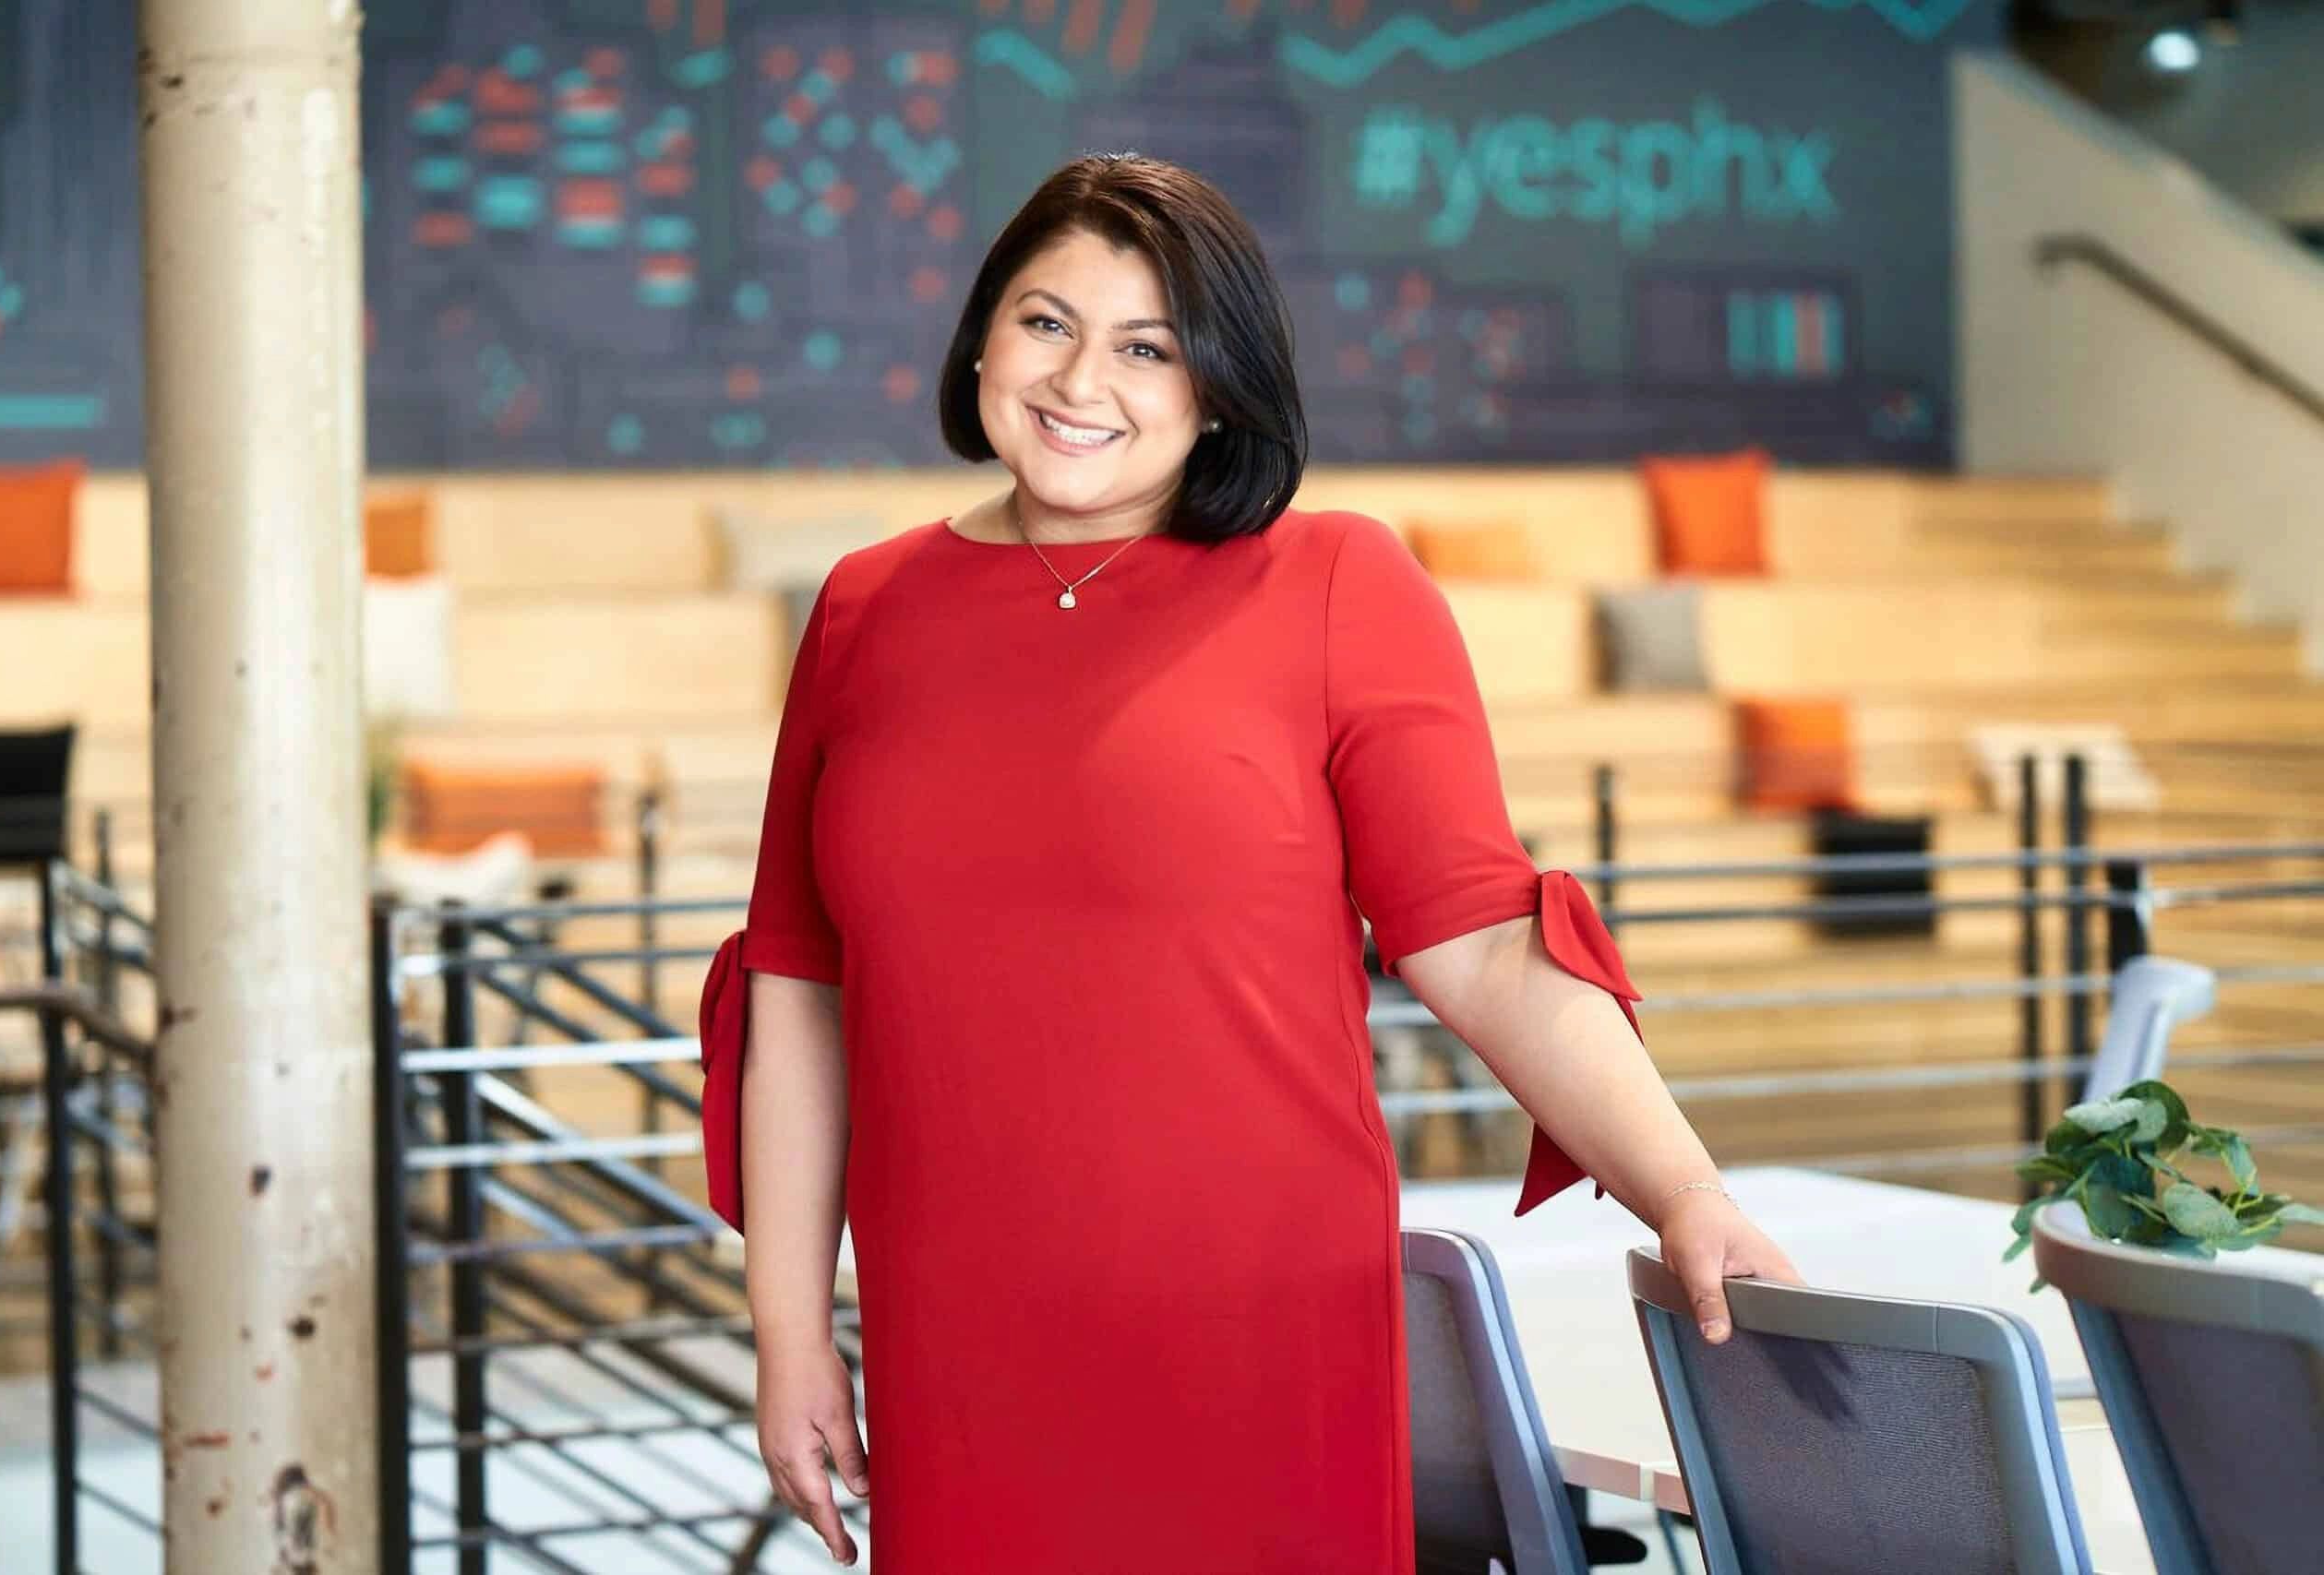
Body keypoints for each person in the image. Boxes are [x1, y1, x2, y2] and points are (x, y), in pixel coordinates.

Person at [697, 152, 1798, 1573]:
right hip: (960, 1342)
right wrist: (791, 1340)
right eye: (1046, 322)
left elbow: (1478, 943)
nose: (1080, 379)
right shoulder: (864, 608)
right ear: (981, 335)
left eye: (1146, 346)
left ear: (1216, 385)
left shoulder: (1338, 582)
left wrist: (1686, 1191)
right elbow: (796, 988)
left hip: (1258, 1332)